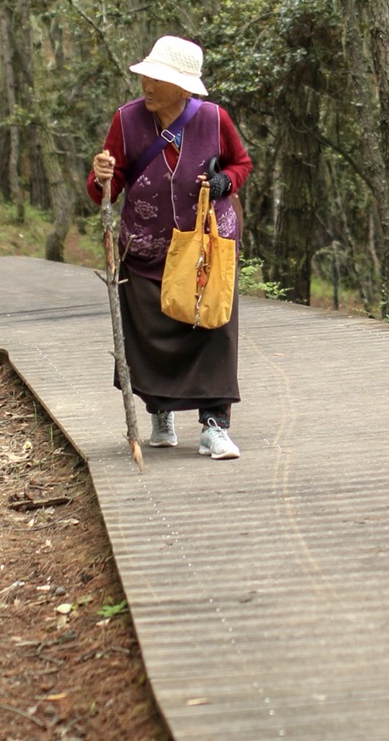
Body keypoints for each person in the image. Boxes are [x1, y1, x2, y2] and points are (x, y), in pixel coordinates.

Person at [89, 35, 252, 460]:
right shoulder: (126, 121)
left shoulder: (215, 119)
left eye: (157, 79)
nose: (146, 84)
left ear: (182, 88)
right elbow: (104, 190)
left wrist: (223, 183)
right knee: (151, 334)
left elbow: (241, 164)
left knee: (214, 329)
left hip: (207, 249)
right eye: (146, 76)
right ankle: (160, 414)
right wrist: (101, 175)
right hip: (146, 251)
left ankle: (214, 427)